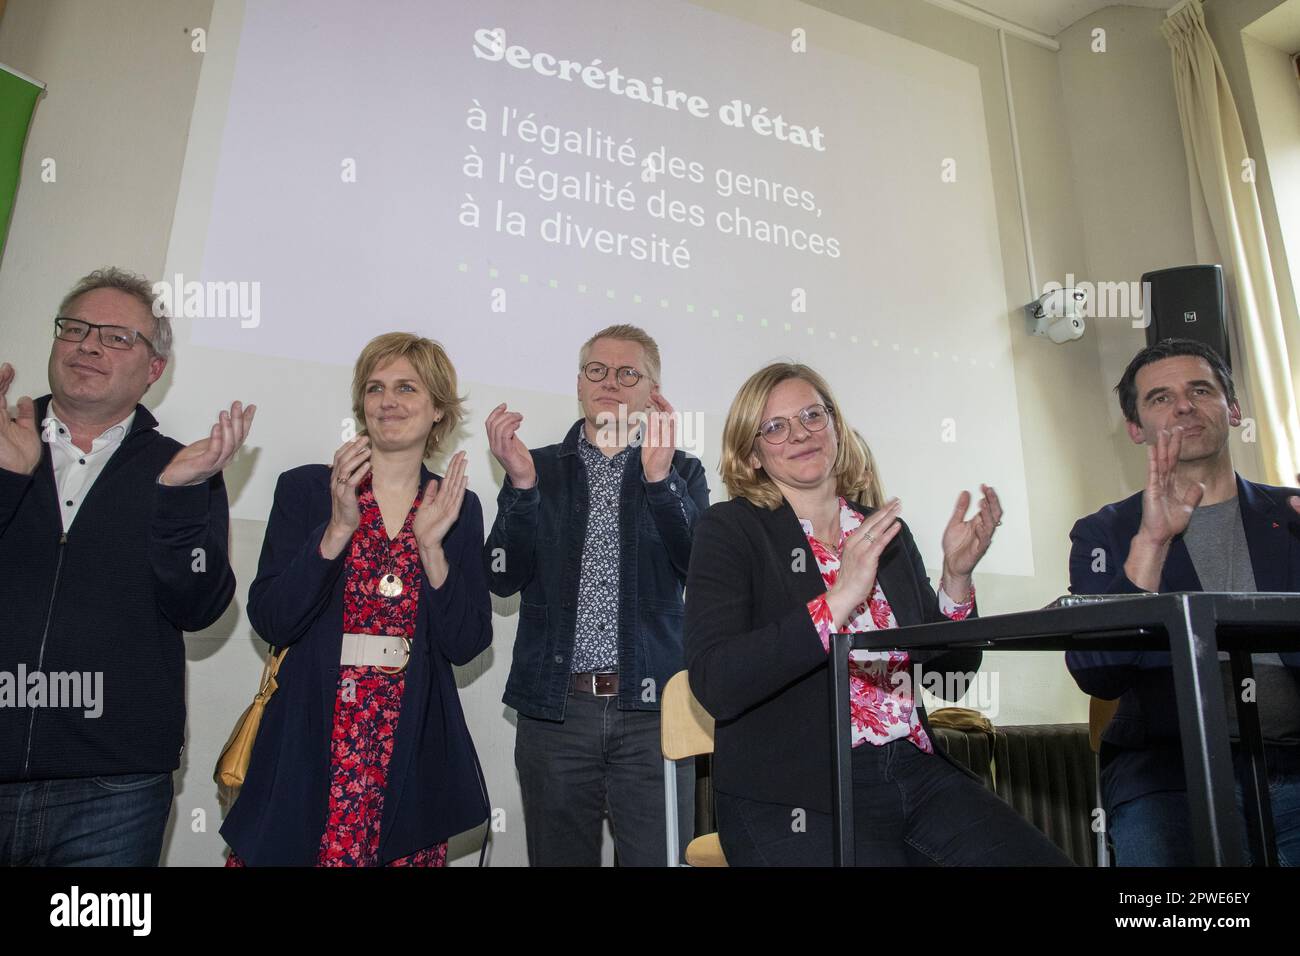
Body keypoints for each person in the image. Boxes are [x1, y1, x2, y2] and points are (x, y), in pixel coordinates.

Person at [684, 361, 1071, 866]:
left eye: (812, 416)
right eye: (775, 427)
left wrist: (956, 579)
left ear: (836, 427)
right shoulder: (730, 530)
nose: (800, 434)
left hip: (914, 769)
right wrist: (838, 600)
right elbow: (717, 683)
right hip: (796, 790)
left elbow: (948, 680)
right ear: (752, 454)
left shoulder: (884, 532)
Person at [0, 267, 252, 866]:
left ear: (154, 369)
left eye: (117, 337)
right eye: (77, 329)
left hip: (115, 788)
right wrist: (6, 481)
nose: (89, 345)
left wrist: (179, 498)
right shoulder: (2, 443)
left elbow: (200, 605)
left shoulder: (184, 469)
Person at [221, 332, 490, 866]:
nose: (387, 401)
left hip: (408, 739)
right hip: (310, 727)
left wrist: (432, 549)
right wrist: (337, 530)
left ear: (438, 409)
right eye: (375, 388)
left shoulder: (457, 505)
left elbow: (467, 643)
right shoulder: (305, 489)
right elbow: (273, 619)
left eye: (406, 388)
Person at [1065, 338, 1300, 866]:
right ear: (1135, 428)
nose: (1185, 406)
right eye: (1159, 398)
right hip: (1170, 773)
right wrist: (1150, 545)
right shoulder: (1106, 532)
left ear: (1233, 408)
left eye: (1200, 389)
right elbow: (1096, 672)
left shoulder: (1292, 517)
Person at [484, 324, 709, 866]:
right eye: (597, 370)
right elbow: (501, 576)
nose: (610, 381)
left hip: (653, 711)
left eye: (628, 373)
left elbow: (699, 571)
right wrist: (520, 488)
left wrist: (659, 481)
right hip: (556, 712)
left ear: (652, 393)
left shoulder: (683, 470)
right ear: (580, 385)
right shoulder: (534, 468)